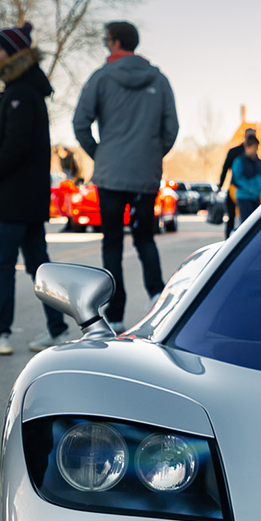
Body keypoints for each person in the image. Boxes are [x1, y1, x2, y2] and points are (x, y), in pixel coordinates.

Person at [73, 20, 179, 331]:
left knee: (113, 243)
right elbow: (171, 129)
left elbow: (81, 123)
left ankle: (116, 314)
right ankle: (157, 299)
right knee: (146, 237)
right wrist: (151, 156)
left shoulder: (101, 78)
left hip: (111, 175)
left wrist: (101, 155)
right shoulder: (159, 80)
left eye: (107, 39)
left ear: (115, 42)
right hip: (145, 174)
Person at [0, 23, 70, 355]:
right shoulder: (29, 91)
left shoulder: (19, 94)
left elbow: (14, 147)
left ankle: (0, 335)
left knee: (3, 263)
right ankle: (57, 329)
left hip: (14, 196)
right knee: (38, 265)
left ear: (14, 54)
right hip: (30, 196)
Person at [217, 127, 257, 236]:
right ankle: (228, 240)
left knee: (247, 217)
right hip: (236, 188)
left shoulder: (254, 154)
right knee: (232, 216)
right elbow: (225, 169)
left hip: (249, 190)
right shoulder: (235, 153)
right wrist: (220, 185)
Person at [231, 136, 261, 228]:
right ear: (247, 147)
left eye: (257, 148)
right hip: (244, 196)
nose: (255, 151)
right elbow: (236, 179)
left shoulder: (258, 161)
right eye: (254, 148)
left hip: (256, 196)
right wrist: (249, 189)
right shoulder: (240, 161)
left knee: (256, 224)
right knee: (246, 224)